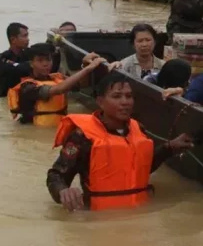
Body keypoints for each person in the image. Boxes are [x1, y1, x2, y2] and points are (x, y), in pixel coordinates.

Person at [47, 72, 194, 211]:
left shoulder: (139, 129)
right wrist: (63, 191)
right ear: (100, 102)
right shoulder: (81, 137)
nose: (125, 102)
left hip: (140, 217)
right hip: (99, 221)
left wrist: (169, 148)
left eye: (129, 96)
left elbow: (142, 167)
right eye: (117, 96)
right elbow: (56, 175)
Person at [8, 43, 110, 126]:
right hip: (33, 132)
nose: (45, 64)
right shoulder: (28, 87)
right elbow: (58, 90)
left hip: (55, 128)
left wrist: (85, 64)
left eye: (48, 59)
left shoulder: (58, 78)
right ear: (31, 63)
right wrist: (88, 68)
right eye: (40, 60)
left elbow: (81, 84)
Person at [0, 23, 32, 97]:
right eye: (24, 36)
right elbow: (20, 69)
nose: (28, 39)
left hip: (24, 99)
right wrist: (31, 64)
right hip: (7, 100)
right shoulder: (1, 58)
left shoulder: (29, 54)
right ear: (13, 39)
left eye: (27, 36)